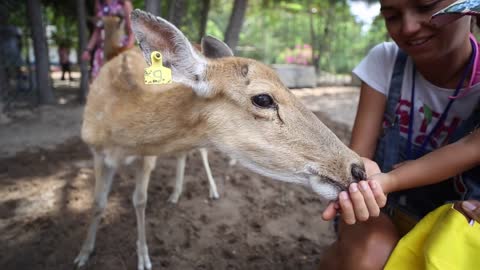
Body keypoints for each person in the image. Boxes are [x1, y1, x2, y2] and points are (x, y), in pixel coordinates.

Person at [319, 0, 480, 269]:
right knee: (371, 255)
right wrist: (361, 176)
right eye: (392, 16)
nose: (409, 27)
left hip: (456, 216)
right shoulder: (386, 61)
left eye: (426, 6)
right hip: (383, 208)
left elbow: (473, 145)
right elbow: (359, 156)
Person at [81, 0, 135, 80]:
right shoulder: (100, 5)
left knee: (119, 82)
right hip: (102, 52)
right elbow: (97, 31)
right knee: (99, 82)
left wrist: (127, 49)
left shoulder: (124, 4)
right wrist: (88, 50)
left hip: (119, 50)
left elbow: (132, 31)